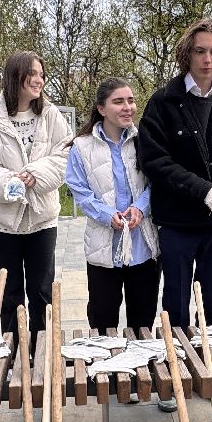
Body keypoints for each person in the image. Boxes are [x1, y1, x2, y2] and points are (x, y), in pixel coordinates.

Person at [138, 17, 212, 409]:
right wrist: (203, 190)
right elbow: (154, 160)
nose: (207, 59)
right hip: (177, 222)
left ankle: (209, 367)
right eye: (200, 51)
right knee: (176, 301)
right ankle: (174, 372)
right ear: (187, 53)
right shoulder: (163, 103)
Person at [0, 51, 73, 337]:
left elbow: (64, 157)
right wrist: (10, 182)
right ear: (15, 76)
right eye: (32, 74)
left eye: (41, 74)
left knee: (42, 291)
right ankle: (13, 355)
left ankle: (42, 352)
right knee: (9, 293)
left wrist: (34, 175)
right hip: (2, 221)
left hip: (42, 218)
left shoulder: (51, 116)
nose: (39, 80)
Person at [65, 77, 161, 331]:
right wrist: (108, 215)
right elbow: (80, 190)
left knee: (142, 324)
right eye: (118, 101)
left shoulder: (146, 140)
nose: (127, 107)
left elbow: (157, 182)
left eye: (131, 101)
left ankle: (142, 369)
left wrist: (140, 207)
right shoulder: (81, 147)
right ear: (101, 108)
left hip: (144, 247)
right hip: (103, 249)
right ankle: (104, 370)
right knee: (102, 322)